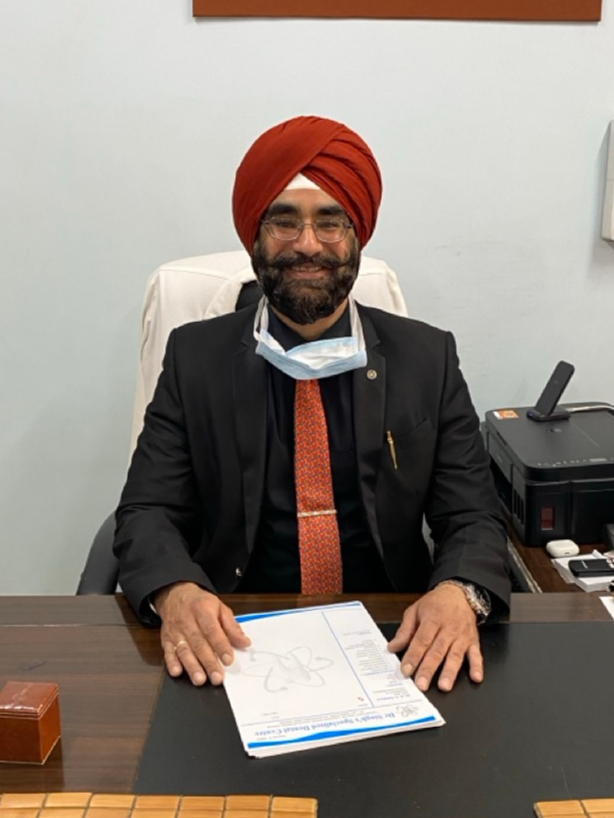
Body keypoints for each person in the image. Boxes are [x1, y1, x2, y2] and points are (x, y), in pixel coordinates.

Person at [114, 115, 510, 695]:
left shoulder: (427, 358)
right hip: (235, 641)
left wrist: (459, 592)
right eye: (284, 221)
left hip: (394, 639)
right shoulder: (195, 357)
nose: (306, 244)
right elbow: (147, 510)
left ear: (357, 238)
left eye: (330, 222)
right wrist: (176, 590)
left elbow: (473, 514)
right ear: (255, 235)